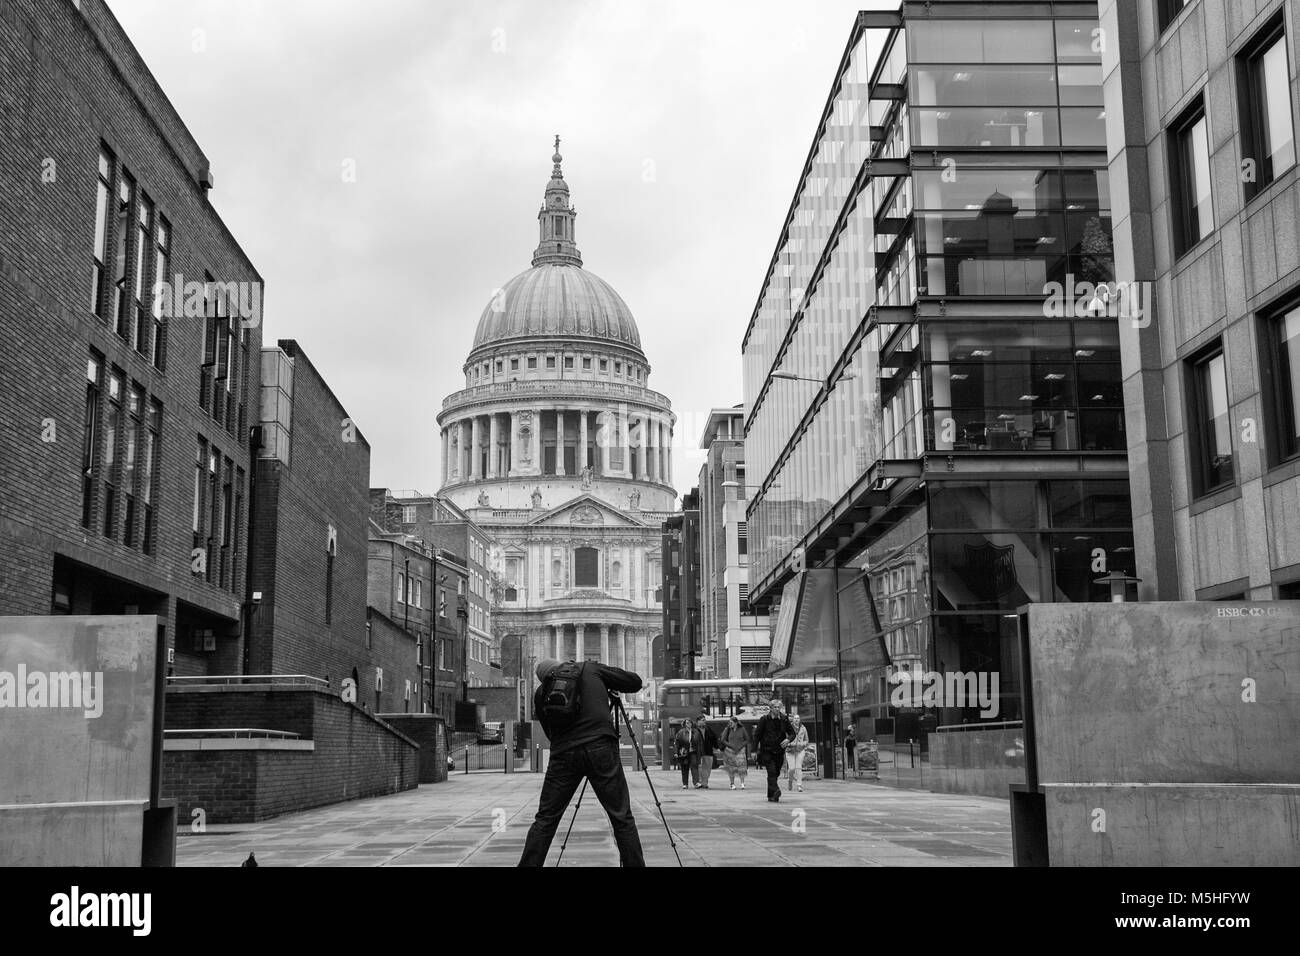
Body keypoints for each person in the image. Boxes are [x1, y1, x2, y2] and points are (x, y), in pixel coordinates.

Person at [518, 659, 645, 867]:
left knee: (545, 819)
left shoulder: (541, 694)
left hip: (564, 754)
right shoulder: (590, 668)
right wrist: (607, 684)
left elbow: (550, 733)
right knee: (621, 817)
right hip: (600, 747)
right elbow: (634, 682)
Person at [753, 700, 794, 802]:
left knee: (776, 773)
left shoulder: (784, 719)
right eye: (775, 707)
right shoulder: (764, 720)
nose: (777, 709)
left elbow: (792, 733)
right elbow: (757, 735)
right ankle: (776, 790)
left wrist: (788, 739)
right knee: (771, 771)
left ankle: (771, 795)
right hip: (767, 750)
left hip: (779, 751)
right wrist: (753, 751)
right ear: (770, 709)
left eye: (779, 707)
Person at [719, 715, 751, 790]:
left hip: (740, 750)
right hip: (730, 751)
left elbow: (747, 739)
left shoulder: (742, 729)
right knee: (731, 768)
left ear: (736, 723)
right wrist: (730, 746)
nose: (730, 724)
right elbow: (723, 740)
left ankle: (742, 783)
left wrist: (740, 746)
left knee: (741, 767)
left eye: (731, 722)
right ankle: (732, 783)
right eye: (729, 722)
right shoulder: (728, 729)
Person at [674, 719, 703, 789]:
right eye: (687, 723)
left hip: (693, 751)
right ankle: (685, 783)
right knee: (684, 768)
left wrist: (701, 751)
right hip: (684, 752)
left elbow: (700, 742)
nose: (689, 724)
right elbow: (677, 743)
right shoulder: (681, 732)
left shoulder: (696, 732)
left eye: (690, 722)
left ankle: (696, 783)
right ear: (684, 724)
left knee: (694, 766)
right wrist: (676, 752)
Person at [784, 714, 809, 792]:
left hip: (800, 750)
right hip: (790, 750)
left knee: (798, 768)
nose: (796, 719)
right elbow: (784, 739)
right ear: (793, 720)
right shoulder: (788, 728)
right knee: (791, 768)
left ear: (800, 720)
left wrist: (802, 744)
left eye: (798, 718)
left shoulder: (803, 728)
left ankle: (799, 785)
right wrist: (789, 744)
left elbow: (806, 740)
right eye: (795, 718)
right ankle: (790, 781)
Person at [697, 710, 720, 789]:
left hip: (708, 751)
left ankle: (705, 782)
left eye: (705, 720)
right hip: (698, 752)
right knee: (699, 768)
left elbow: (714, 738)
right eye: (703, 720)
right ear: (698, 721)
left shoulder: (708, 729)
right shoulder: (694, 730)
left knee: (707, 768)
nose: (705, 722)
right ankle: (700, 782)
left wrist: (717, 747)